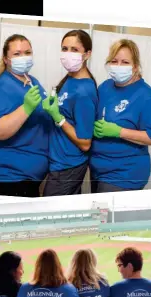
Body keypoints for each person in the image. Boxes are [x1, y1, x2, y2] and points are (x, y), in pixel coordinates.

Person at [90, 39, 151, 192]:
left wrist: (119, 132)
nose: (118, 66)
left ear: (135, 66)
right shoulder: (105, 87)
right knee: (98, 215)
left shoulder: (147, 96)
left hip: (124, 175)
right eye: (114, 61)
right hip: (98, 169)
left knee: (107, 215)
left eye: (125, 62)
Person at [0, 34, 50, 197]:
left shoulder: (31, 80)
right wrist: (26, 108)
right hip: (10, 176)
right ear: (6, 59)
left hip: (26, 176)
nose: (24, 58)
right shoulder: (2, 87)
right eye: (17, 54)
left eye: (27, 53)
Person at [42, 29, 98, 196]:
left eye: (75, 50)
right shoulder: (70, 79)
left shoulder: (84, 91)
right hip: (59, 163)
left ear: (87, 54)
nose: (68, 54)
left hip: (68, 166)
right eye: (64, 49)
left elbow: (85, 142)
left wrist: (59, 118)